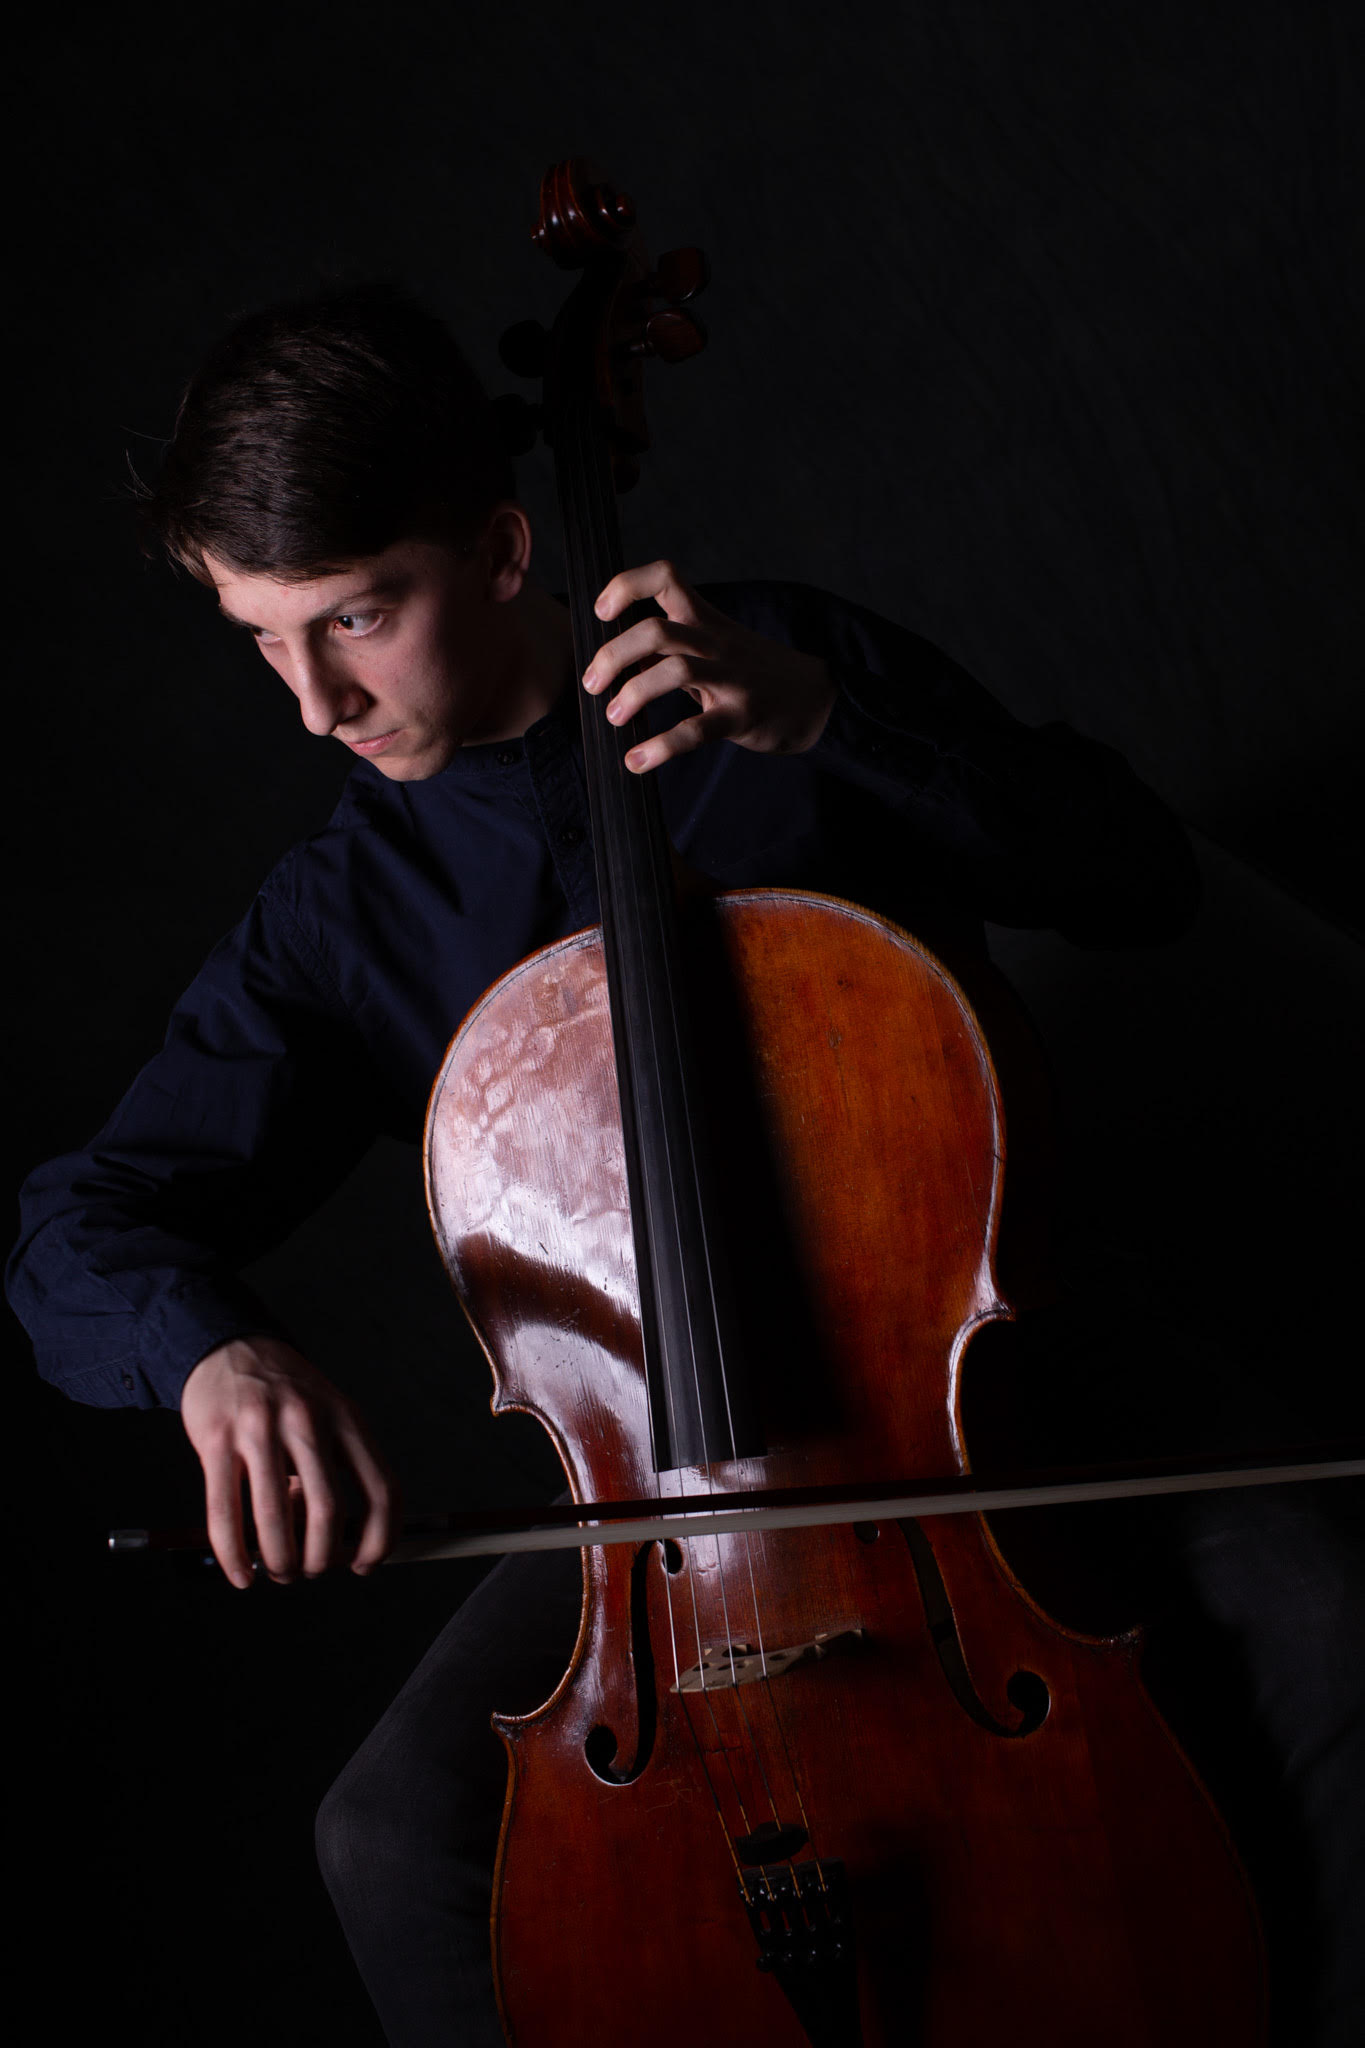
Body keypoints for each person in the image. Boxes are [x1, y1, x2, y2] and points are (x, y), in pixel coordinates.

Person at [9, 284, 1356, 2046]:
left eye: (355, 617)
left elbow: (1135, 878)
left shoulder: (773, 663)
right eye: (260, 639)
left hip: (1011, 1367)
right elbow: (78, 1222)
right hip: (663, 1480)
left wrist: (836, 728)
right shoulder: (342, 920)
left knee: (1327, 1622)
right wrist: (208, 1354)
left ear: (503, 549)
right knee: (389, 1834)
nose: (316, 702)